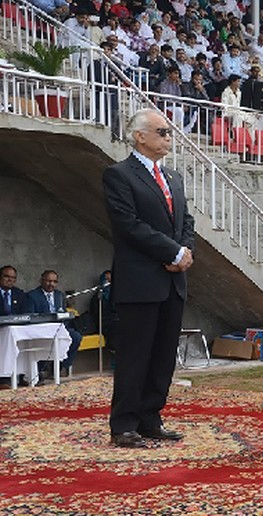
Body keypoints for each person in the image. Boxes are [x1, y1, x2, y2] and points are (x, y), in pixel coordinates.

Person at [103, 108, 195, 448]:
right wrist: (172, 252)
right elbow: (128, 225)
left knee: (162, 356)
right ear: (139, 136)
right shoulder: (119, 175)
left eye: (169, 132)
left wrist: (185, 252)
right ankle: (124, 423)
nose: (169, 138)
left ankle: (150, 418)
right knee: (135, 355)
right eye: (162, 132)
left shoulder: (173, 177)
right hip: (140, 282)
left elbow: (186, 221)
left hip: (172, 282)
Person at [26, 270, 83, 377]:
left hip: (59, 328)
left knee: (76, 337)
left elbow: (63, 312)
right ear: (41, 280)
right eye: (48, 281)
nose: (51, 284)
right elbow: (30, 316)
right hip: (41, 329)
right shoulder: (32, 295)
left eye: (54, 282)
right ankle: (39, 370)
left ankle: (60, 366)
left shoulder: (59, 295)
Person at [0, 265, 29, 389]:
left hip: (16, 328)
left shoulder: (19, 294)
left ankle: (23, 375)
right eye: (6, 276)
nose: (9, 280)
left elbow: (25, 313)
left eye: (13, 278)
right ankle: (4, 379)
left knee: (27, 342)